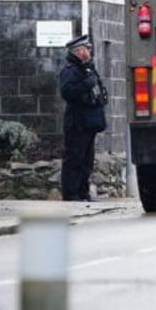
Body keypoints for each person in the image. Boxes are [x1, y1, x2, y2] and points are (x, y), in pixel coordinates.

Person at [60, 34, 108, 201]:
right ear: (79, 51)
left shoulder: (88, 68)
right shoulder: (70, 71)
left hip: (89, 123)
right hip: (77, 123)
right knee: (74, 160)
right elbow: (67, 92)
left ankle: (83, 193)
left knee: (86, 162)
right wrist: (85, 85)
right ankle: (72, 194)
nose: (89, 50)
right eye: (87, 48)